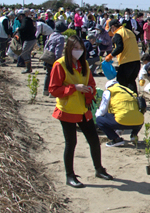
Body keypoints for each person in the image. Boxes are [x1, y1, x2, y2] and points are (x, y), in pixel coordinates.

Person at [48, 35, 113, 188]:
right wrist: (73, 88)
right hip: (68, 109)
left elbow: (91, 82)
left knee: (94, 140)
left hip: (84, 108)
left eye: (80, 48)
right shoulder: (60, 64)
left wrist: (89, 89)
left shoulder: (83, 63)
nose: (78, 51)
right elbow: (53, 89)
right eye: (74, 48)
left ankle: (99, 169)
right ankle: (69, 176)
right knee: (71, 143)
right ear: (68, 49)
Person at [95, 79, 144, 147]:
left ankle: (116, 139)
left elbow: (102, 110)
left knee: (99, 119)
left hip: (121, 120)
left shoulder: (109, 91)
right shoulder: (128, 91)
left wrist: (96, 117)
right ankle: (134, 135)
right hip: (138, 122)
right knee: (135, 115)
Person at [104, 19, 141, 93]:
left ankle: (125, 99)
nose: (111, 31)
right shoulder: (129, 31)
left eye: (111, 29)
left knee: (121, 81)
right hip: (136, 61)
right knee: (131, 81)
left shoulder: (118, 33)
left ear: (113, 27)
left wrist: (110, 56)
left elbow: (119, 48)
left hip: (126, 61)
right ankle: (135, 99)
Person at [42, 21, 68, 97]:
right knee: (55, 76)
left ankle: (45, 90)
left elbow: (46, 46)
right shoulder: (60, 37)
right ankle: (52, 92)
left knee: (48, 74)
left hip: (47, 57)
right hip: (54, 58)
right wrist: (58, 61)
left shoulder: (51, 35)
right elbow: (58, 51)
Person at [15, 9, 37, 74]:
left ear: (21, 16)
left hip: (29, 39)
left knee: (24, 53)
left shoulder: (25, 20)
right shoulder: (29, 20)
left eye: (19, 18)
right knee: (27, 53)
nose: (19, 19)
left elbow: (23, 27)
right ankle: (29, 68)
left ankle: (28, 68)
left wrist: (18, 29)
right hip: (32, 39)